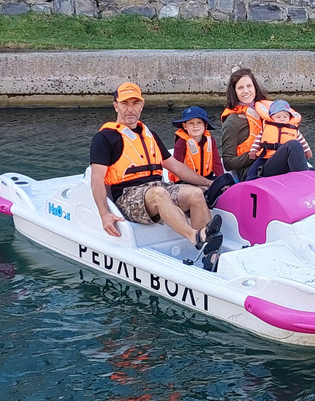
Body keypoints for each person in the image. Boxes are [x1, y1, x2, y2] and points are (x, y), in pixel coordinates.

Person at [90, 82, 223, 271]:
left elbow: (175, 166)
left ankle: (208, 256)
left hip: (157, 187)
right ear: (116, 106)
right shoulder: (105, 138)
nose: (130, 109)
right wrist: (104, 214)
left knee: (195, 194)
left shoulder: (149, 134)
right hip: (128, 196)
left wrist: (208, 183)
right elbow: (96, 179)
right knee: (160, 193)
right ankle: (196, 236)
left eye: (135, 103)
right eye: (125, 103)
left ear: (142, 105)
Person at [220, 68, 272, 182]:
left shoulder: (267, 111)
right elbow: (228, 163)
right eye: (240, 87)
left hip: (271, 162)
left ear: (255, 87)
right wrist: (258, 152)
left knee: (293, 147)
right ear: (234, 92)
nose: (246, 91)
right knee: (292, 147)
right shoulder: (232, 122)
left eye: (249, 86)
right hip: (251, 172)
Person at [247, 99, 312, 179]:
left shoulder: (294, 129)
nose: (282, 119)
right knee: (253, 169)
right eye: (278, 117)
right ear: (272, 117)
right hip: (268, 161)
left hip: (287, 165)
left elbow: (303, 142)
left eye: (285, 116)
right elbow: (257, 141)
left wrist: (307, 152)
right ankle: (250, 179)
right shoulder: (267, 128)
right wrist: (253, 151)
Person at [169, 106, 224, 183]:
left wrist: (221, 180)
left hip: (207, 178)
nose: (195, 126)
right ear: (185, 126)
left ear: (206, 125)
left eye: (199, 122)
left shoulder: (211, 141)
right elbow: (177, 168)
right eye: (191, 123)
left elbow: (216, 163)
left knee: (226, 180)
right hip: (186, 181)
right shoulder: (181, 143)